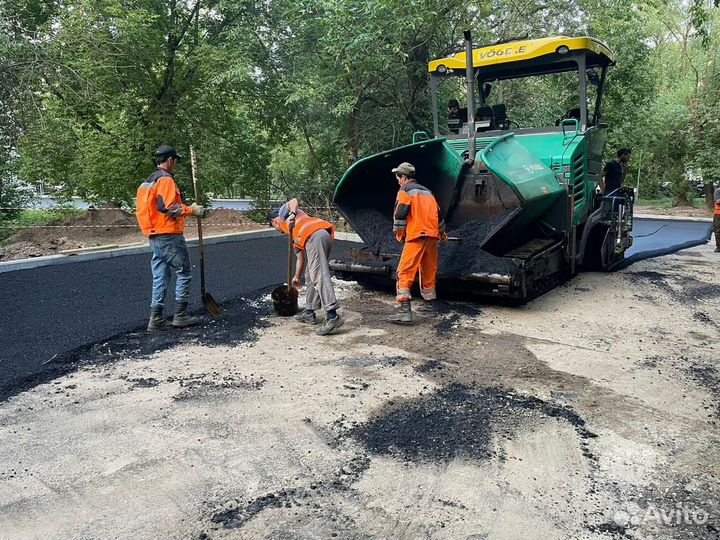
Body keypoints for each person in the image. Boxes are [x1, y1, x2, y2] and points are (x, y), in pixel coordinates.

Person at [136, 144, 204, 331]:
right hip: (168, 234)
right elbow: (168, 207)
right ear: (170, 160)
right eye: (175, 161)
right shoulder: (165, 180)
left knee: (161, 275)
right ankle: (180, 315)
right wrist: (192, 210)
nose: (176, 165)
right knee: (184, 272)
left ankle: (156, 318)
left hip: (155, 235)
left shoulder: (148, 181)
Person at [269, 199, 344, 336]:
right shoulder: (293, 234)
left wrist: (291, 214)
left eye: (274, 226)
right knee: (310, 275)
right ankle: (309, 312)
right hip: (318, 237)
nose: (277, 229)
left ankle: (333, 316)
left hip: (316, 236)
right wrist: (296, 277)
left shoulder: (283, 215)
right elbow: (300, 258)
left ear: (274, 221)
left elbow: (294, 201)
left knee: (318, 275)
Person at [388, 162, 447, 324]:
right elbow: (439, 215)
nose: (397, 180)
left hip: (416, 237)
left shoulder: (405, 190)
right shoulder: (428, 192)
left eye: (398, 177)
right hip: (432, 237)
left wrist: (400, 235)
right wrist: (441, 234)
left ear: (404, 177)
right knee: (428, 270)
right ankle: (430, 307)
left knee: (404, 272)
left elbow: (400, 214)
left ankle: (405, 313)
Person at [714, 184, 720, 252]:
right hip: (718, 214)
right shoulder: (718, 191)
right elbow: (717, 201)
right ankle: (719, 247)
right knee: (718, 231)